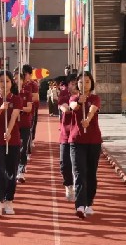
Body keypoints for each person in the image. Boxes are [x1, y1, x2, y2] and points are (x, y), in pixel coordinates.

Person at [0, 70, 22, 216]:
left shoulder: (16, 99)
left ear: (11, 83)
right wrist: (2, 108)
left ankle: (8, 200)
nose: (4, 84)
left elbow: (14, 117)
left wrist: (9, 131)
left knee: (11, 171)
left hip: (12, 138)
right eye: (1, 81)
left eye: (7, 81)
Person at [69, 71, 102, 219]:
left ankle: (89, 203)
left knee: (91, 174)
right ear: (77, 84)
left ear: (91, 83)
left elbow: (93, 110)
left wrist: (87, 120)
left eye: (87, 81)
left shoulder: (95, 98)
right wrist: (79, 102)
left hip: (93, 141)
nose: (84, 84)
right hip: (77, 141)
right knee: (79, 173)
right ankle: (80, 205)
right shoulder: (74, 98)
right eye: (81, 82)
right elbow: (73, 106)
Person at [59, 74, 78, 202]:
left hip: (79, 135)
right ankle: (69, 185)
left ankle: (78, 186)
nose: (74, 86)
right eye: (72, 83)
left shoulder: (85, 96)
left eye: (76, 83)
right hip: (66, 134)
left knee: (77, 164)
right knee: (64, 163)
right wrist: (75, 105)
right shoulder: (64, 95)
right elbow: (64, 108)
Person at [15, 72, 33, 184]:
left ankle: (21, 170)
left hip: (25, 124)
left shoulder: (27, 93)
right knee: (14, 148)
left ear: (23, 81)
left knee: (23, 147)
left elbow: (29, 108)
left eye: (19, 79)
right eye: (15, 79)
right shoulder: (11, 94)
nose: (17, 81)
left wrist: (19, 108)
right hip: (13, 125)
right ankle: (14, 168)